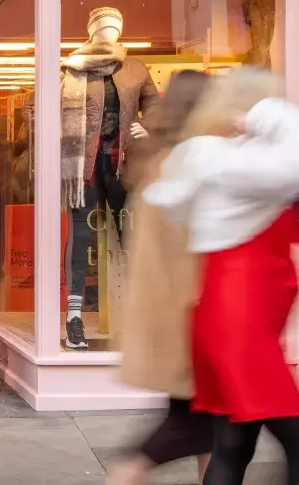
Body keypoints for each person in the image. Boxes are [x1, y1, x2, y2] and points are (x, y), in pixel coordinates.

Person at [143, 67, 299, 485]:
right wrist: (262, 113)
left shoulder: (237, 161)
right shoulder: (229, 161)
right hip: (242, 326)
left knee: (235, 445)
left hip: (237, 320)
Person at [111, 70, 214, 485]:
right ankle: (123, 475)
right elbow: (188, 252)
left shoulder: (158, 158)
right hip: (192, 314)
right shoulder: (184, 165)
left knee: (204, 426)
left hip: (173, 312)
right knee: (188, 426)